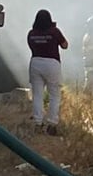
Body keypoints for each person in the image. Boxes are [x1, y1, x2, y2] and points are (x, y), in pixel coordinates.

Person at [27, 8, 68, 136]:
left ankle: (38, 123)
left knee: (37, 95)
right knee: (54, 95)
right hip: (52, 64)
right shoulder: (54, 31)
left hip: (35, 63)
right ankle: (52, 124)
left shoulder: (31, 33)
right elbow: (65, 45)